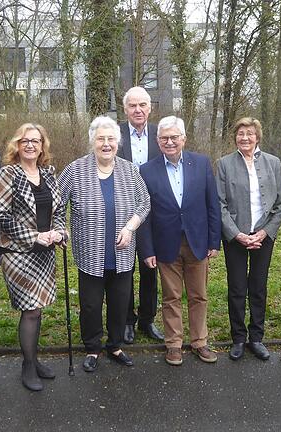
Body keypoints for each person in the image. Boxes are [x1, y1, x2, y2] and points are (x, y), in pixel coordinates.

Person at [58, 116, 150, 373]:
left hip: (121, 253)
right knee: (90, 304)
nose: (106, 144)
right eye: (101, 139)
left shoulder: (129, 170)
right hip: (90, 252)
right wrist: (59, 227)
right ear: (92, 141)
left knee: (120, 302)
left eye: (111, 139)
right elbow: (56, 203)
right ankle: (92, 347)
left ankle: (116, 345)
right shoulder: (75, 170)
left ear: (118, 142)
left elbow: (144, 203)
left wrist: (130, 227)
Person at [138, 115, 222, 366]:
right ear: (157, 141)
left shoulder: (202, 163)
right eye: (164, 138)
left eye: (174, 137)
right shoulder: (146, 170)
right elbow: (144, 212)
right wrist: (147, 249)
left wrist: (214, 241)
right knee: (171, 296)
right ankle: (173, 344)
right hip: (165, 243)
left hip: (198, 241)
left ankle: (200, 342)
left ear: (184, 138)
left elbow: (212, 205)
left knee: (199, 295)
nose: (170, 142)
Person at [0, 123, 67, 390]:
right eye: (25, 141)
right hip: (18, 252)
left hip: (45, 252)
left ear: (42, 145)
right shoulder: (7, 174)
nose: (30, 145)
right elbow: (1, 217)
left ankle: (33, 360)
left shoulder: (48, 173)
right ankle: (27, 365)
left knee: (38, 309)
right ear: (17, 145)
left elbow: (58, 208)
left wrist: (59, 232)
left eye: (36, 141)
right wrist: (34, 236)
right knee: (31, 309)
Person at [216, 117, 281, 361]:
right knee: (237, 287)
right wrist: (237, 234)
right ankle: (238, 337)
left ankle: (256, 337)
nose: (244, 138)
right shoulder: (224, 164)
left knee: (258, 287)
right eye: (240, 134)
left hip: (263, 236)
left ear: (257, 136)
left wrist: (264, 232)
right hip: (235, 237)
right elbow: (220, 204)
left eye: (249, 133)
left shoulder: (273, 163)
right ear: (234, 137)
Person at [117, 86, 164, 343]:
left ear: (150, 108)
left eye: (142, 105)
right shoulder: (115, 134)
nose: (138, 110)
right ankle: (126, 320)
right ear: (125, 109)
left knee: (150, 268)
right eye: (132, 105)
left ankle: (147, 319)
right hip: (122, 210)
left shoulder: (160, 135)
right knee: (124, 270)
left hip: (153, 213)